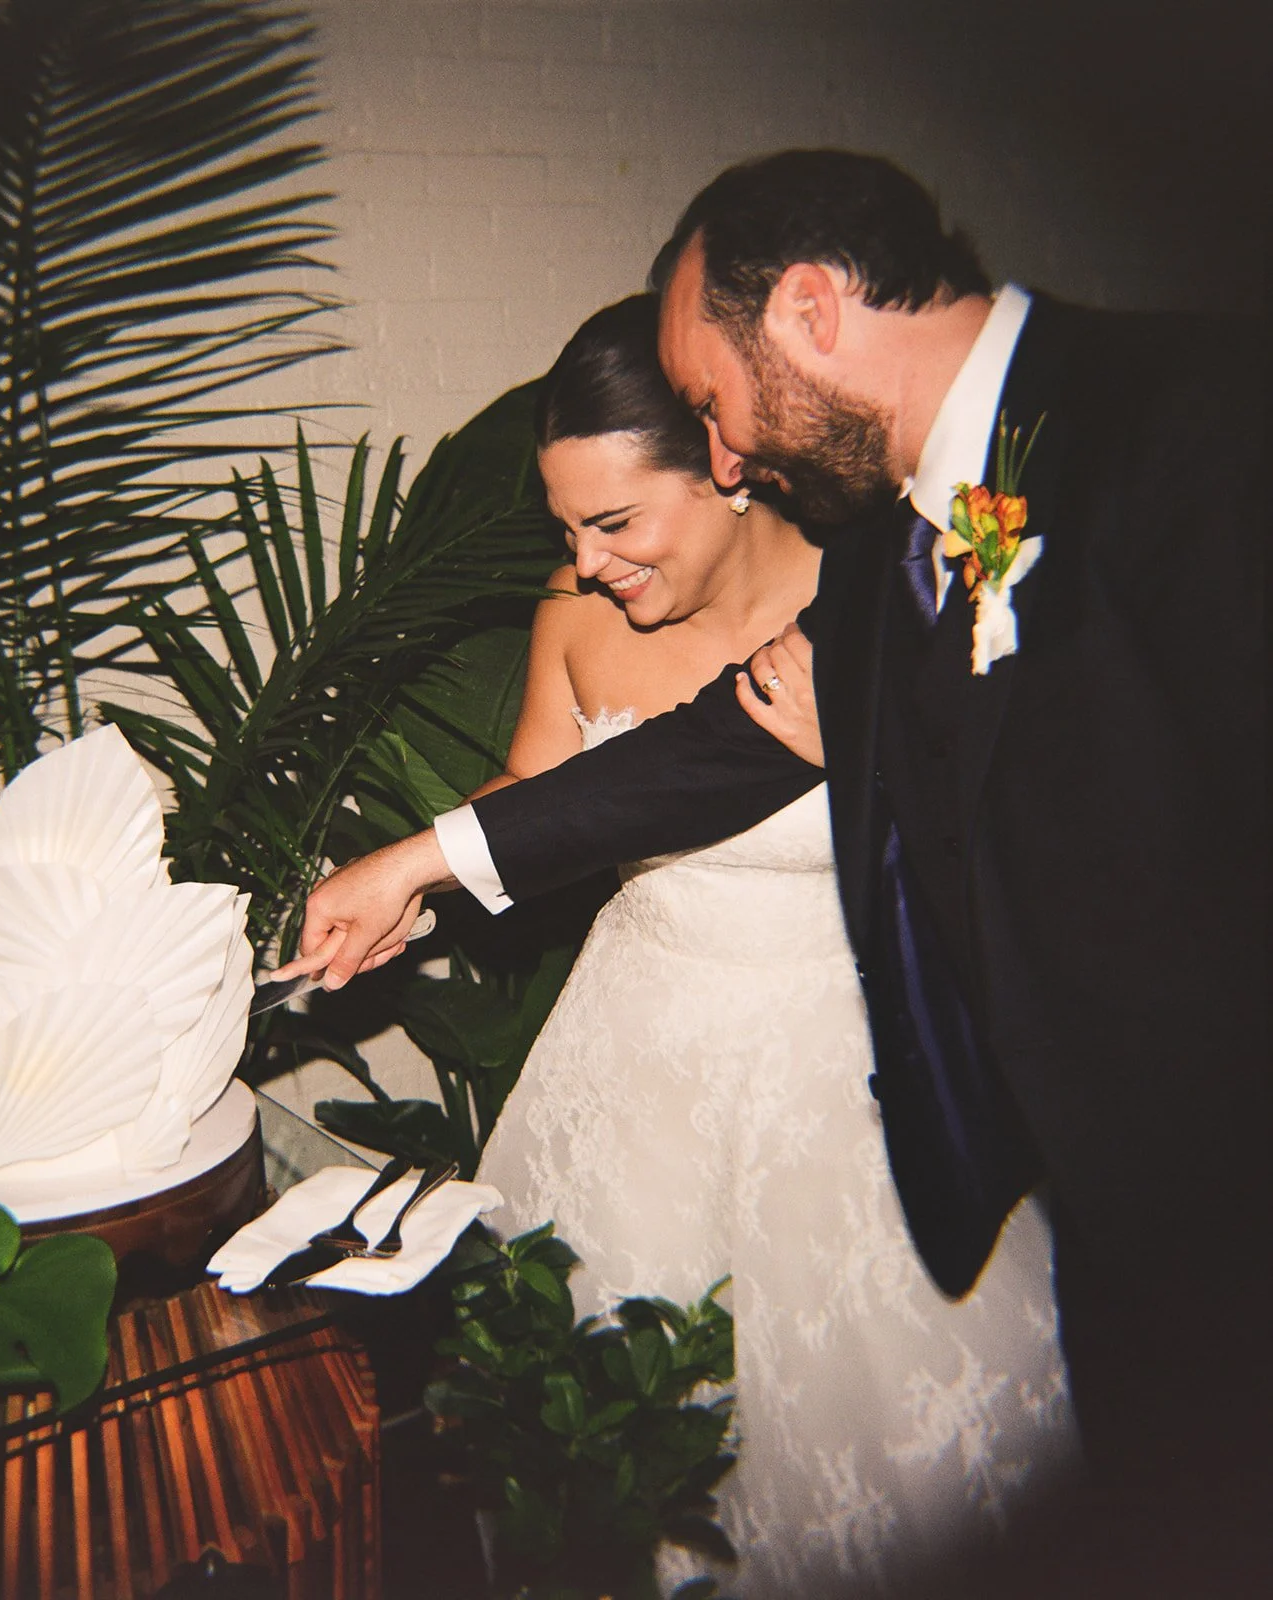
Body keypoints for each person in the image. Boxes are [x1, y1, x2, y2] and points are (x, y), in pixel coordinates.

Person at [278, 152, 1267, 1592]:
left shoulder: (1206, 420)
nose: (729, 457)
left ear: (808, 312)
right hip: (1102, 1214)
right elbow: (711, 751)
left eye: (712, 401)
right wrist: (422, 863)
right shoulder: (888, 547)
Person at [467, 293, 1079, 1596]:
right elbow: (534, 811)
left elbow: (1017, 840)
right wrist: (416, 871)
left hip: (841, 1070)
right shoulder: (571, 616)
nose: (585, 563)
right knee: (626, 1451)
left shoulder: (883, 591)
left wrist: (871, 761)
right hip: (634, 1066)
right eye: (567, 530)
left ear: (727, 470)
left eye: (615, 523)